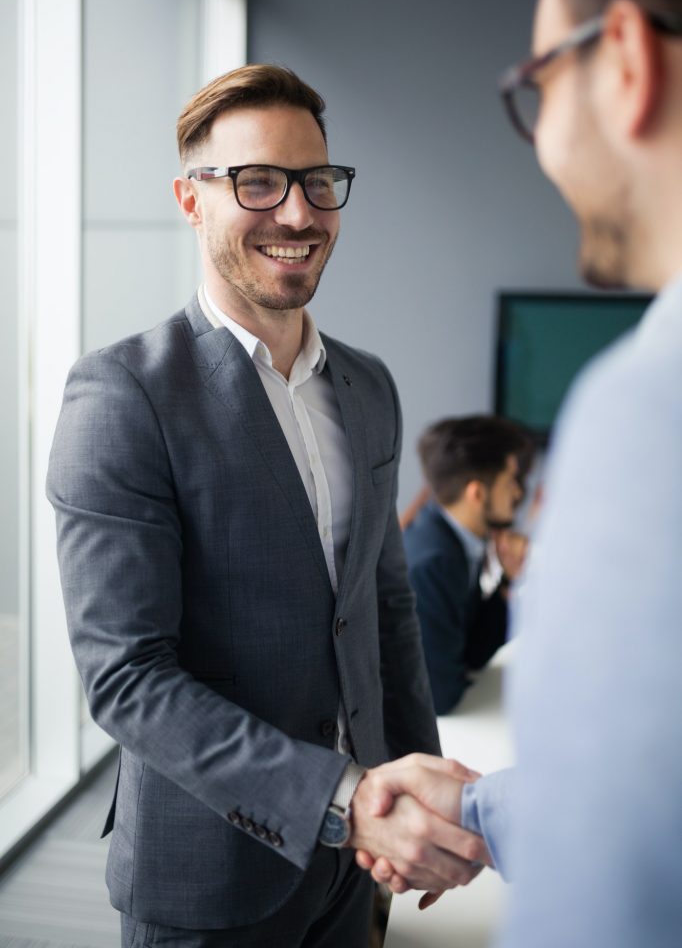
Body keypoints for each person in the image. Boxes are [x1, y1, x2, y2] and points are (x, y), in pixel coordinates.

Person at [46, 65, 487, 947]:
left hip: (354, 877)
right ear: (190, 199)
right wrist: (342, 801)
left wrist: (429, 797)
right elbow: (127, 677)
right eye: (257, 181)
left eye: (317, 182)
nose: (296, 213)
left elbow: (383, 608)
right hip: (210, 874)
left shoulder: (369, 388)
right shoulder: (122, 393)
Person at [360, 0, 682, 942]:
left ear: (625, 59)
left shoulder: (643, 414)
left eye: (537, 86)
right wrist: (489, 807)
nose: (541, 137)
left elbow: (611, 897)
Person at [403, 416, 529, 714]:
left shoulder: (456, 536)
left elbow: (472, 652)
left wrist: (507, 582)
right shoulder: (433, 563)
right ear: (476, 494)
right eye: (510, 481)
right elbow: (441, 695)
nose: (517, 492)